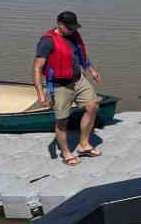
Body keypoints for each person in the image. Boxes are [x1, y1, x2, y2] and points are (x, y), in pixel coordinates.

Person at [33, 11, 103, 166]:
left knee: (92, 106)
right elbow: (37, 68)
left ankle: (84, 145)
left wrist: (91, 70)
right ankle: (66, 153)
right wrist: (40, 94)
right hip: (59, 85)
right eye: (70, 28)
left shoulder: (73, 34)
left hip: (78, 79)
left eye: (74, 27)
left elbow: (81, 55)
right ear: (60, 25)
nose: (73, 30)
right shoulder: (47, 41)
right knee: (62, 121)